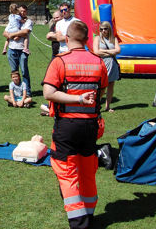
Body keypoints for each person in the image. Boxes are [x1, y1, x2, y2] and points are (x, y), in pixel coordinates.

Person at [42, 20, 108, 229]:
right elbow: (102, 92)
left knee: (67, 172)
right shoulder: (98, 62)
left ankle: (79, 222)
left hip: (67, 126)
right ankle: (89, 215)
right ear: (87, 40)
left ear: (67, 39)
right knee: (88, 170)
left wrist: (77, 99)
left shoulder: (60, 62)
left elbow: (48, 93)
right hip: (91, 126)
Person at [2, 5, 33, 92]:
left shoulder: (28, 21)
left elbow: (26, 32)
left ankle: (27, 92)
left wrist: (12, 34)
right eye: (21, 11)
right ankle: (16, 92)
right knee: (14, 72)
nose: (22, 13)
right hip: (12, 49)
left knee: (24, 71)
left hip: (22, 50)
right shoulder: (14, 19)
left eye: (24, 11)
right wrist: (15, 35)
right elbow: (4, 33)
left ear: (27, 12)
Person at [92, 21, 121, 112]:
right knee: (102, 86)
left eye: (105, 29)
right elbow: (96, 52)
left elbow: (118, 50)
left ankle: (107, 106)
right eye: (101, 29)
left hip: (112, 63)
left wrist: (104, 52)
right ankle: (96, 104)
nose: (103, 31)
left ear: (109, 29)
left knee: (111, 85)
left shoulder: (113, 39)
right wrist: (111, 52)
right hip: (102, 63)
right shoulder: (97, 38)